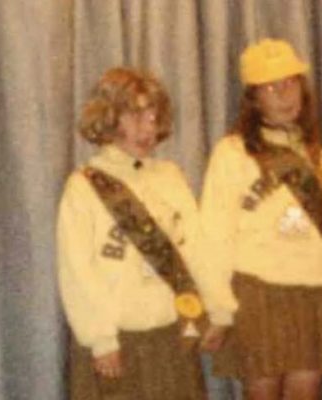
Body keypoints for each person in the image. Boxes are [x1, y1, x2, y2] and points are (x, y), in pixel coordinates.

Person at [199, 39, 322, 400]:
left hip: (316, 293)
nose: (284, 94)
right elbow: (214, 236)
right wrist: (217, 309)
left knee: (307, 392)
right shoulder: (232, 154)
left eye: (291, 82)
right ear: (253, 98)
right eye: (270, 86)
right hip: (259, 292)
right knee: (261, 391)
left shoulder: (321, 161)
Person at [57, 67, 210, 400]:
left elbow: (196, 248)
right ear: (109, 118)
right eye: (133, 115)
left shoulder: (170, 177)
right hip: (116, 341)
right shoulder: (84, 186)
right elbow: (77, 271)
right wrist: (102, 339)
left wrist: (206, 311)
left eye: (153, 116)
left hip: (170, 334)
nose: (146, 128)